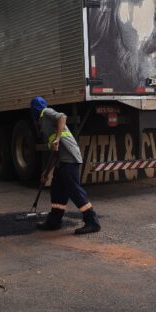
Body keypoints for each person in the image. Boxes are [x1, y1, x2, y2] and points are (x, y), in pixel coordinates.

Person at [29, 97, 101, 235]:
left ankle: (92, 221)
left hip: (70, 159)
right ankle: (54, 221)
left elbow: (62, 116)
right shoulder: (44, 123)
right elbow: (55, 153)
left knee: (74, 190)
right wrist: (46, 172)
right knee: (57, 190)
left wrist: (57, 138)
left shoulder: (46, 112)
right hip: (62, 161)